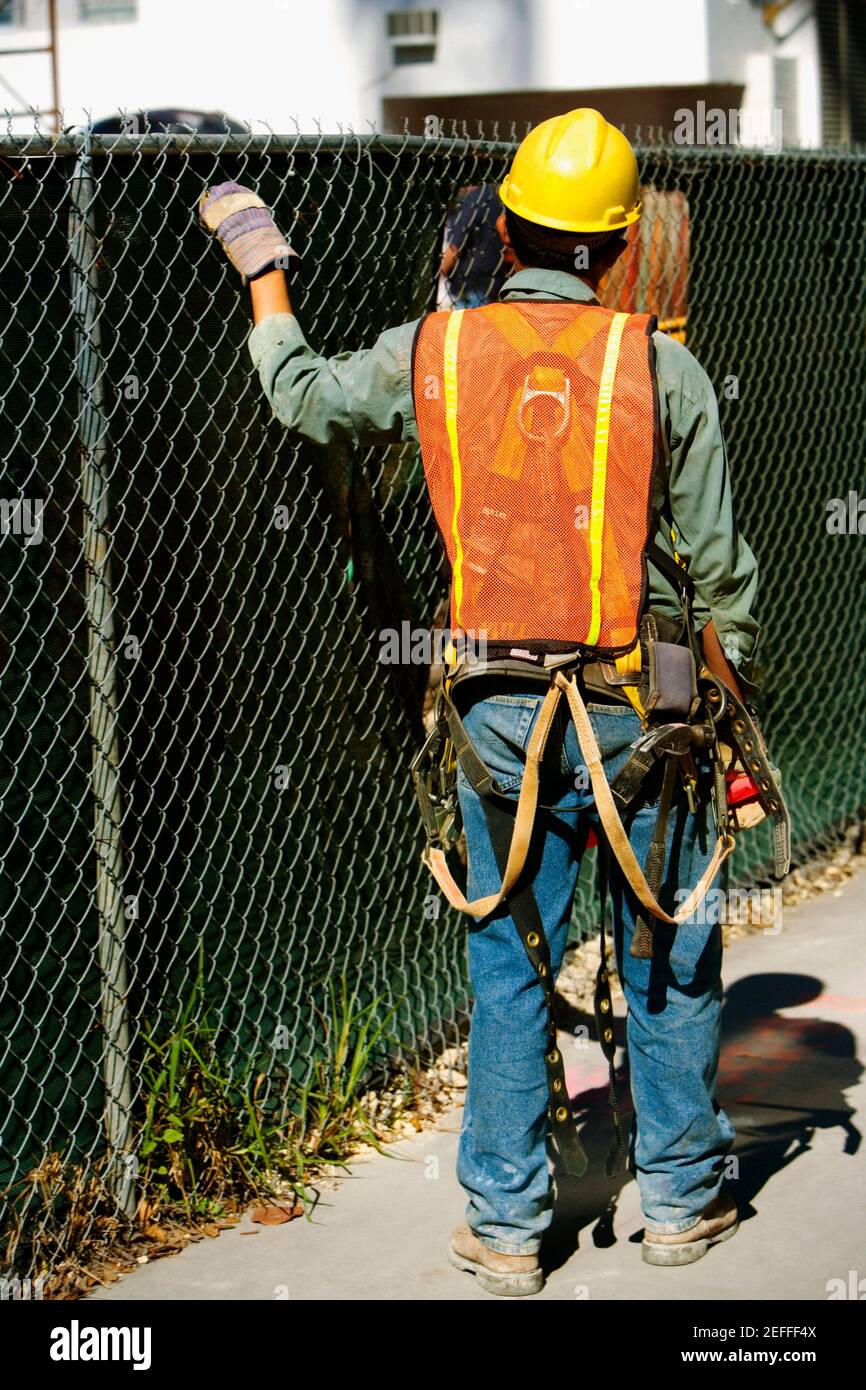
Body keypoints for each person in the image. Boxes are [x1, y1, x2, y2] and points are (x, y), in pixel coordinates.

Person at [199, 108, 769, 1297]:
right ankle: (676, 1201)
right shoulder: (660, 367)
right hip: (640, 705)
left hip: (492, 711)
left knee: (508, 958)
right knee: (666, 946)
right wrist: (730, 716)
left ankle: (505, 1227)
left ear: (504, 230)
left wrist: (265, 267)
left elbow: (302, 395)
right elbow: (720, 576)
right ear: (614, 252)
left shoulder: (434, 350)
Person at [440, 184, 511, 308]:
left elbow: (455, 247)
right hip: (493, 283)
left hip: (468, 288)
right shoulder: (500, 196)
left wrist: (439, 275)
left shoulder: (476, 197)